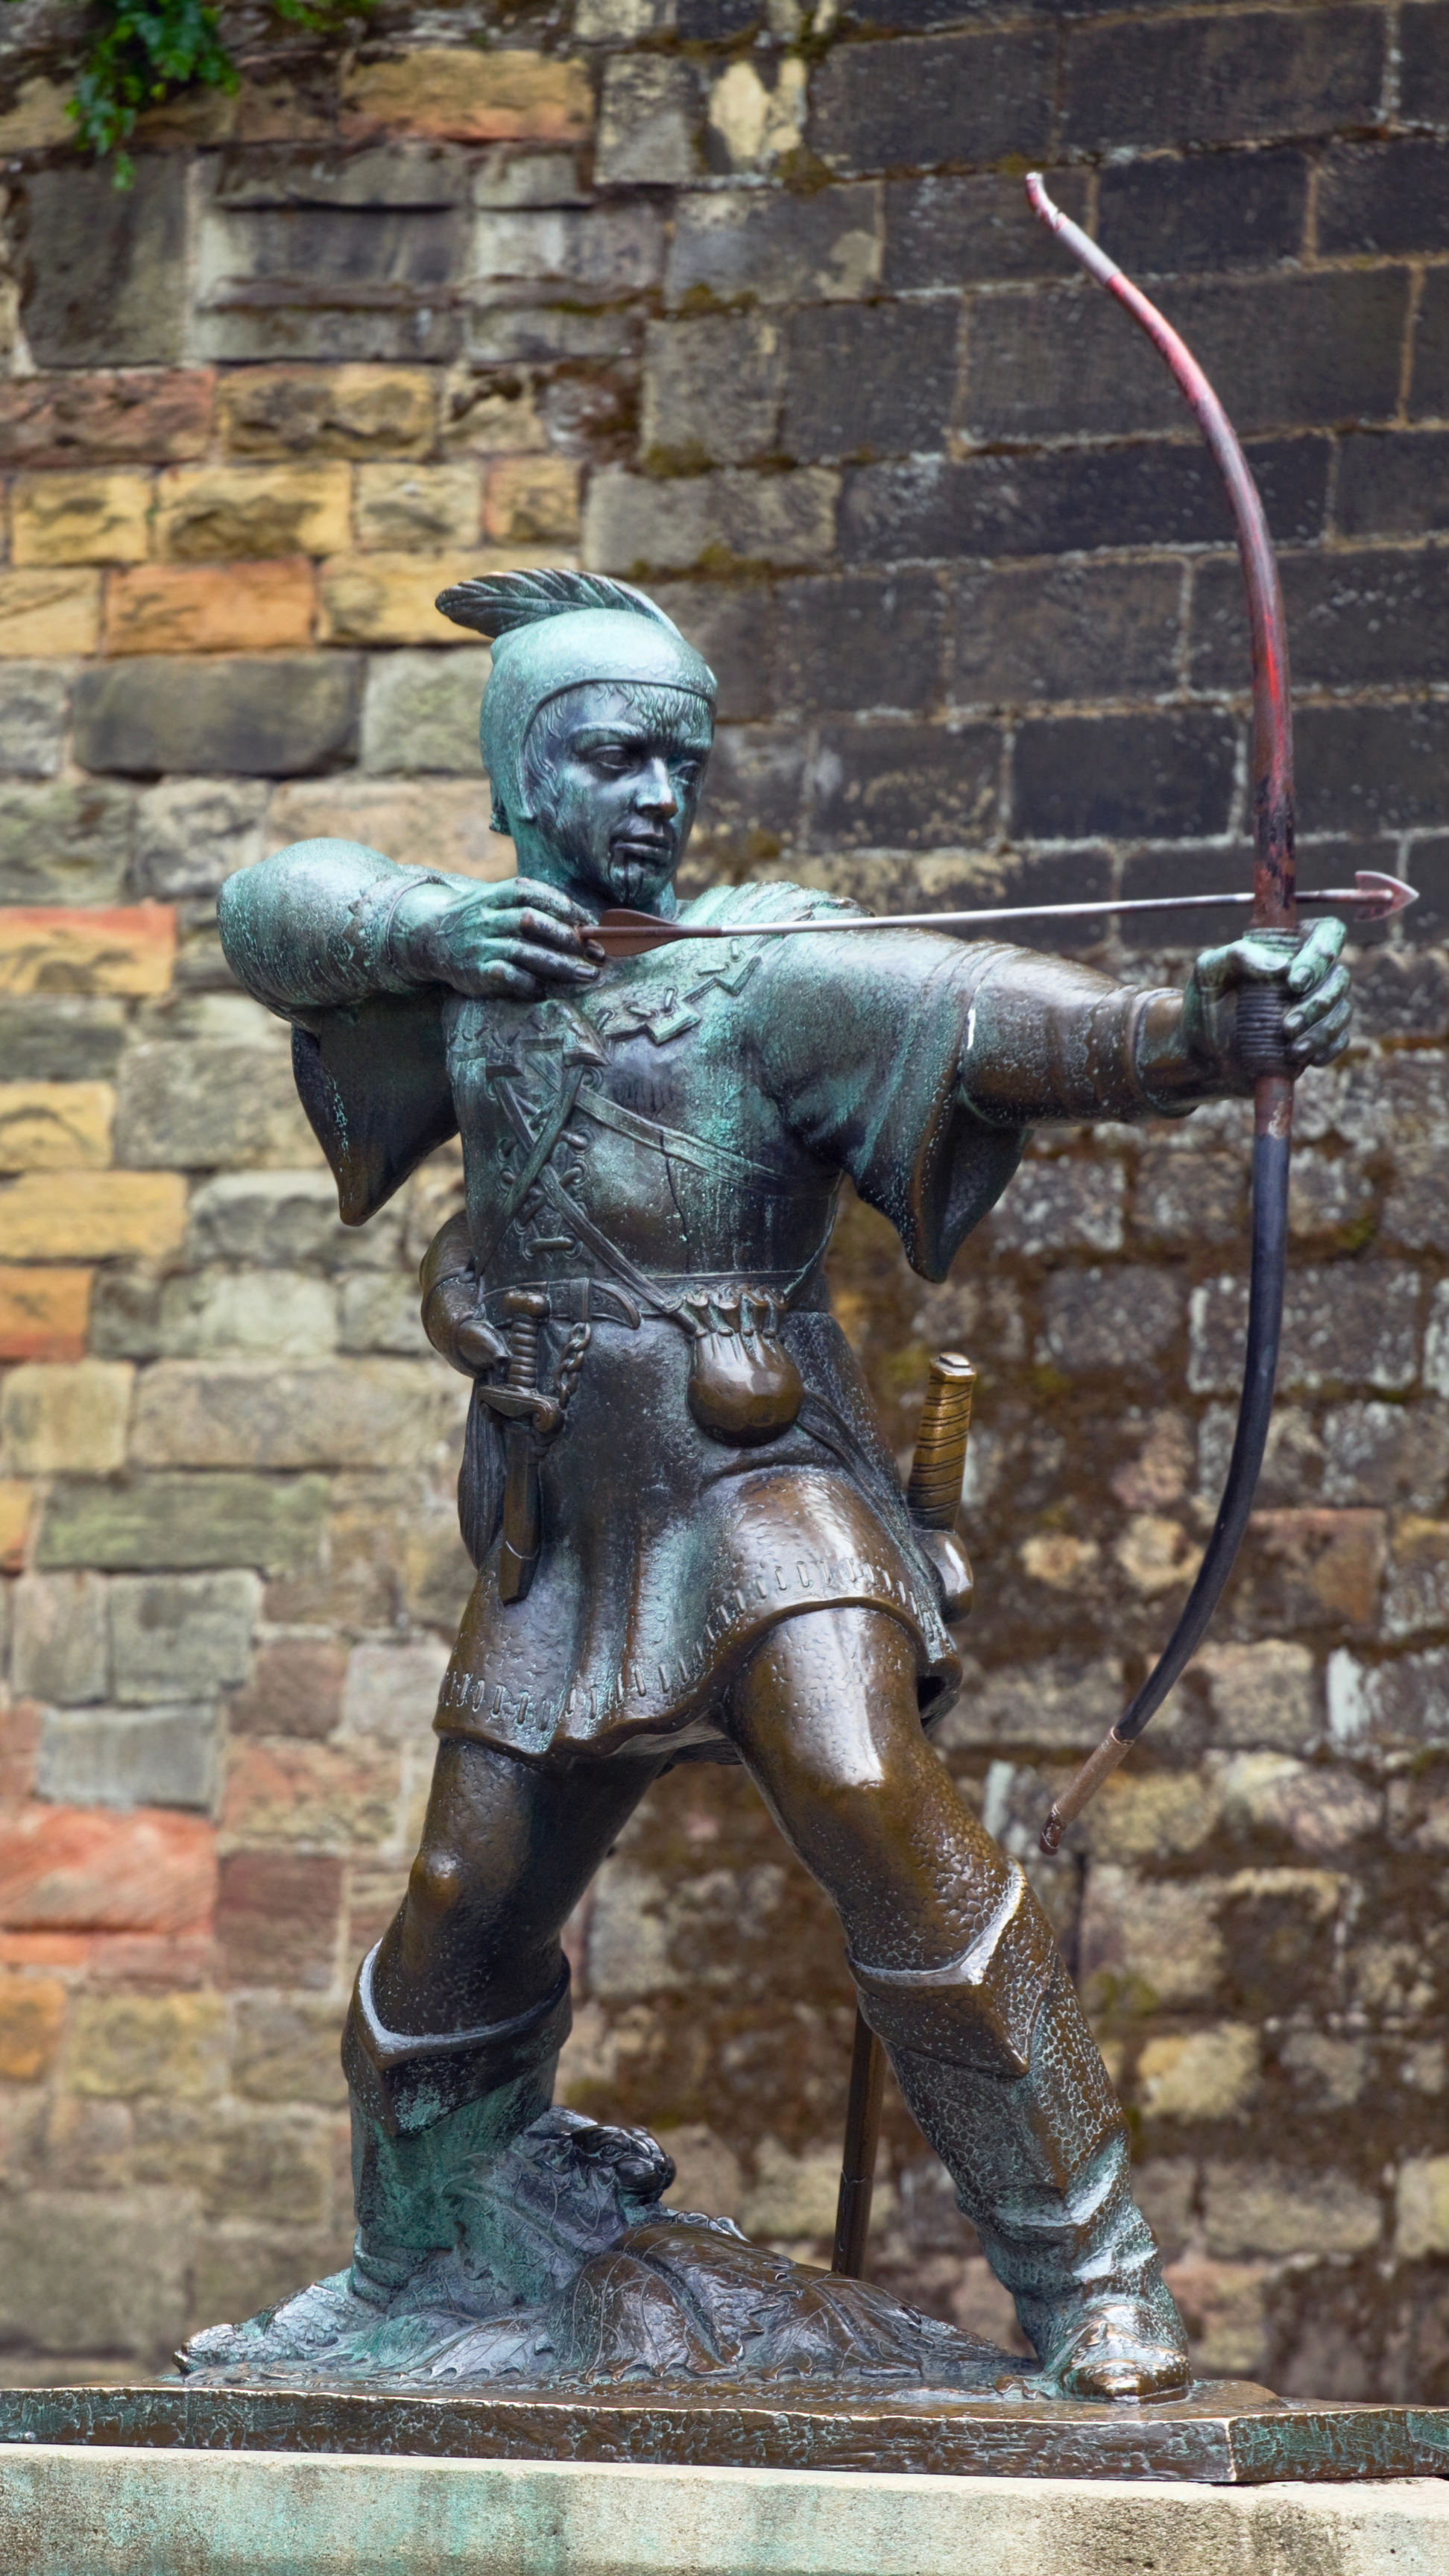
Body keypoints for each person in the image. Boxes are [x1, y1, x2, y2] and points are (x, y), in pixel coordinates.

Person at [212, 572, 1351, 2400]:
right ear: (516, 774)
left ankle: (1098, 2278)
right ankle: (411, 2261)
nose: (658, 793)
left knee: (865, 1785)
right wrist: (435, 926)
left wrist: (1194, 1033)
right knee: (462, 1894)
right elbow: (268, 912)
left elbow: (983, 1013)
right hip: (559, 1510)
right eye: (609, 756)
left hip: (761, 1489)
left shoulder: (762, 971)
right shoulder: (470, 975)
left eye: (683, 759)